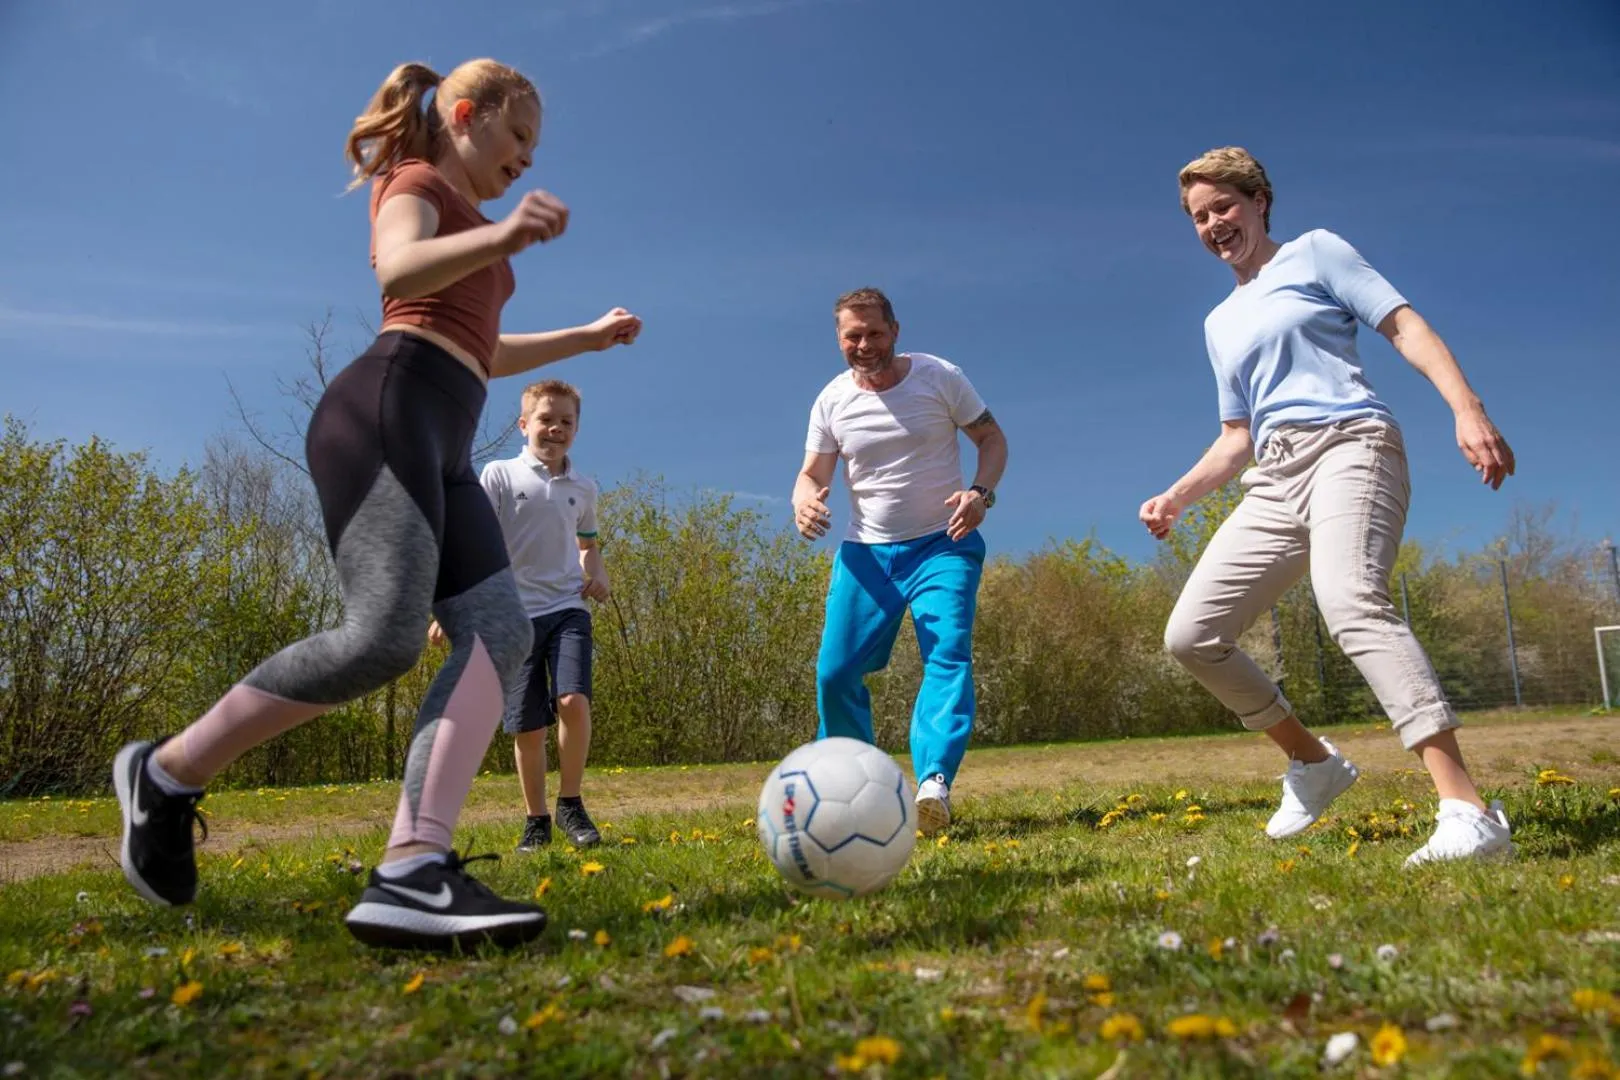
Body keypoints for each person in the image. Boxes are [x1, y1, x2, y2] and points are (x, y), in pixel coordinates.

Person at [111, 57, 643, 952]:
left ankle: (414, 867)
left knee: (503, 635)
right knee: (384, 637)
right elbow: (400, 269)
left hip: (446, 431)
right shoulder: (417, 178)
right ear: (465, 115)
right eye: (518, 139)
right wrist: (506, 236)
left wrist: (583, 339)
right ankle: (165, 773)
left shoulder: (475, 219)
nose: (526, 161)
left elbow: (482, 346)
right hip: (387, 409)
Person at [1140, 146, 1516, 866]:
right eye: (1199, 216)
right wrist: (1179, 496)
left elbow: (1404, 325)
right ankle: (1312, 763)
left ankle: (1468, 809)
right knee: (1192, 635)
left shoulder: (1316, 253)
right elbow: (1236, 436)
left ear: (1259, 202)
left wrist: (1467, 409)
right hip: (1274, 477)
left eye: (1225, 207)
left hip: (1351, 445)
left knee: (1349, 600)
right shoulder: (1218, 323)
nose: (1214, 224)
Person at [793, 287, 1008, 835]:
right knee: (834, 671)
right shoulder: (832, 400)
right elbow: (813, 474)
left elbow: (991, 438)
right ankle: (855, 782)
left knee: (947, 652)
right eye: (852, 336)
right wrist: (803, 498)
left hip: (944, 542)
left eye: (874, 333)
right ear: (839, 339)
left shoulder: (939, 377)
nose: (864, 344)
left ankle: (934, 782)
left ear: (895, 330)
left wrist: (980, 494)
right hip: (866, 552)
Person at [428, 379, 607, 853]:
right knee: (527, 726)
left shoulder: (583, 488)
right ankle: (537, 820)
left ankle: (571, 803)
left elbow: (587, 544)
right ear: (523, 424)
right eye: (546, 419)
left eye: (567, 421)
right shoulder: (500, 476)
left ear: (577, 428)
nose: (556, 429)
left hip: (568, 607)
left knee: (572, 701)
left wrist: (598, 573)